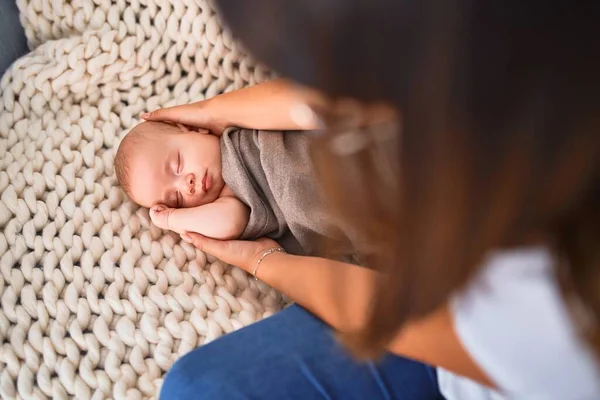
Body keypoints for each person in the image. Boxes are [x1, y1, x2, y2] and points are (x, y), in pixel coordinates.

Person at [151, 0, 599, 398]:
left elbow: (391, 310)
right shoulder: (508, 63)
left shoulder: (551, 298)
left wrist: (263, 261)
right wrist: (211, 113)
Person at [115, 115, 376, 259]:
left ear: (192, 129)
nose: (187, 185)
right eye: (177, 198)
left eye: (178, 165)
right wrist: (173, 219)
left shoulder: (240, 130)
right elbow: (228, 223)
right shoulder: (230, 201)